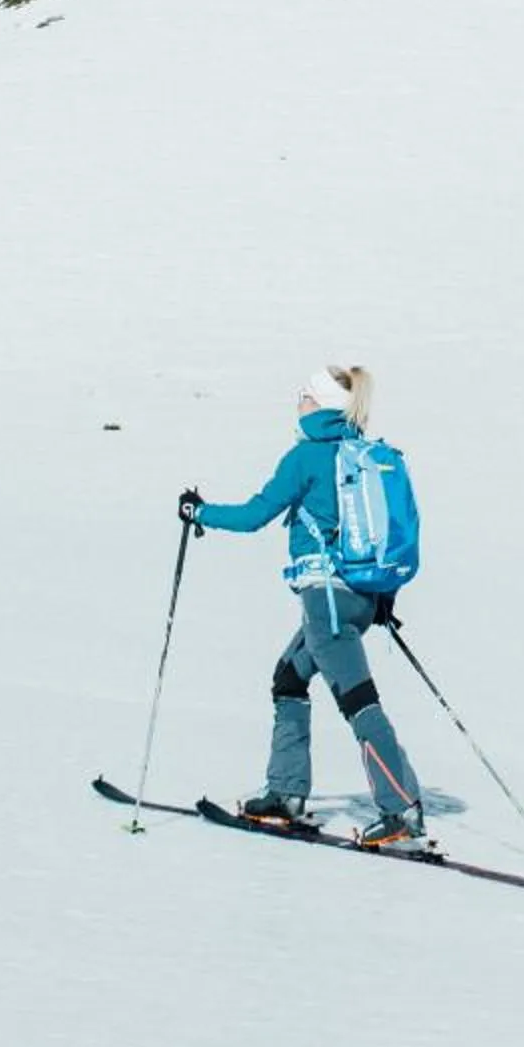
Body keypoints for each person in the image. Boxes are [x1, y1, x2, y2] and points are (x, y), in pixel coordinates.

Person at [179, 364, 427, 850]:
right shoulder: (362, 455)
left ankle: (402, 810)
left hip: (327, 604)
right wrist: (380, 601)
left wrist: (198, 512)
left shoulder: (308, 457)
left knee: (359, 702)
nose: (298, 402)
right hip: (358, 598)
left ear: (320, 404)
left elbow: (255, 516)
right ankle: (285, 793)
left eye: (304, 395)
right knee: (289, 678)